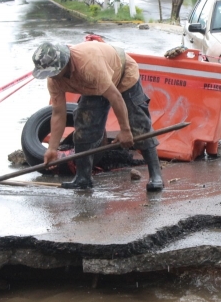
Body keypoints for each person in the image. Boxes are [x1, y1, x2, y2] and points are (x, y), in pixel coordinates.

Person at [31, 41, 164, 191]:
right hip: (92, 85)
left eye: (53, 72)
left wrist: (125, 130)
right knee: (83, 127)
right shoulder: (54, 81)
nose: (52, 77)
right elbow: (58, 113)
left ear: (64, 63)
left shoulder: (88, 65)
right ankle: (83, 178)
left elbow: (115, 98)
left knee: (139, 124)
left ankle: (155, 175)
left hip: (122, 73)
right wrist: (52, 148)